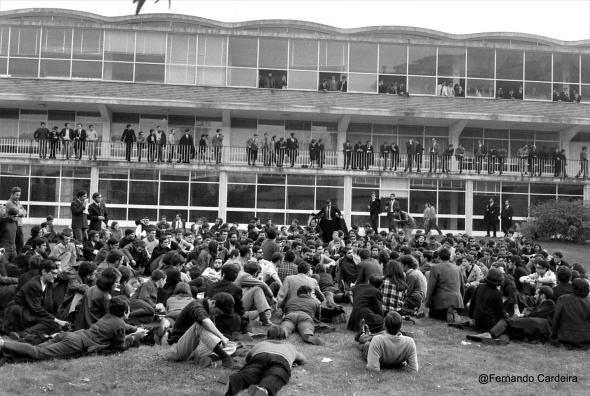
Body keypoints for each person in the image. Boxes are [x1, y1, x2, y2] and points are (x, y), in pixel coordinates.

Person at [0, 296, 147, 361]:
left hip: (71, 335)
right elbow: (120, 347)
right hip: (75, 343)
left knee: (36, 347)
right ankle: (3, 343)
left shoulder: (108, 316)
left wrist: (135, 329)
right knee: (38, 353)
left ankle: (6, 347)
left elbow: (124, 326)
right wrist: (136, 337)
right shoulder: (119, 324)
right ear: (125, 312)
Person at [222, 325, 306, 396]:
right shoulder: (289, 346)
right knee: (276, 375)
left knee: (247, 373)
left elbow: (248, 358)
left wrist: (251, 363)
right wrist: (294, 361)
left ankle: (230, 383)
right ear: (284, 338)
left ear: (267, 337)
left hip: (259, 357)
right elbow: (303, 359)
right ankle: (263, 389)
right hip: (280, 359)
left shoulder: (260, 344)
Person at [3, 261, 66, 337]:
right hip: (19, 312)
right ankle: (23, 334)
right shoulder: (34, 285)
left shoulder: (48, 283)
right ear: (44, 272)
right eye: (53, 273)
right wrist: (57, 320)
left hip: (29, 310)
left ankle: (28, 333)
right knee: (50, 322)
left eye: (56, 274)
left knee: (52, 322)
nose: (56, 276)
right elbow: (37, 309)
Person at [425, 248, 464, 322]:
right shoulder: (457, 268)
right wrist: (461, 302)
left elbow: (431, 288)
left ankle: (449, 312)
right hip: (457, 301)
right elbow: (462, 287)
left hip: (441, 303)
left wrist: (426, 305)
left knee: (434, 315)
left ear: (439, 257)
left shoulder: (435, 267)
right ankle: (453, 311)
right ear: (449, 257)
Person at [551, 279, 590, 347]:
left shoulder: (563, 299)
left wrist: (553, 336)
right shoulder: (588, 303)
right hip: (585, 337)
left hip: (564, 337)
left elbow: (556, 319)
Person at [5, 187, 27, 255]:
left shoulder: (18, 202)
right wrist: (20, 211)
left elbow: (25, 213)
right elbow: (17, 213)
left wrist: (20, 211)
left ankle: (18, 258)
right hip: (14, 225)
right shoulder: (9, 203)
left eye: (19, 195)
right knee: (17, 244)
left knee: (20, 245)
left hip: (19, 225)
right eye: (17, 195)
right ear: (12, 194)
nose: (18, 197)